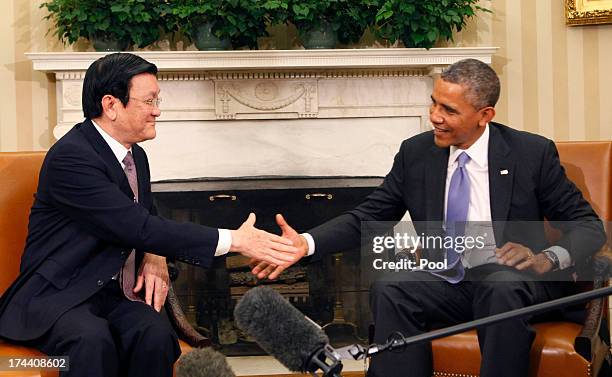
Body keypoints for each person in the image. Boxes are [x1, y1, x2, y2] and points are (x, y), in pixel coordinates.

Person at [251, 59, 606, 377]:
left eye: (449, 109)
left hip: (513, 284)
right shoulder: (416, 153)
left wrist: (547, 258)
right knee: (391, 287)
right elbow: (370, 214)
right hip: (451, 283)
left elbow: (588, 226)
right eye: (434, 103)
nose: (435, 116)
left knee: (499, 285)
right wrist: (306, 243)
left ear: (485, 115)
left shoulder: (531, 153)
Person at [0, 53, 300, 377]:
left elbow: (144, 219)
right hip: (61, 294)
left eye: (158, 100)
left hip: (112, 292)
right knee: (91, 340)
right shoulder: (72, 158)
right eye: (149, 101)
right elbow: (136, 225)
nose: (157, 110)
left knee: (154, 334)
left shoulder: (135, 156)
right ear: (111, 105)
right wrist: (235, 240)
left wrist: (155, 253)